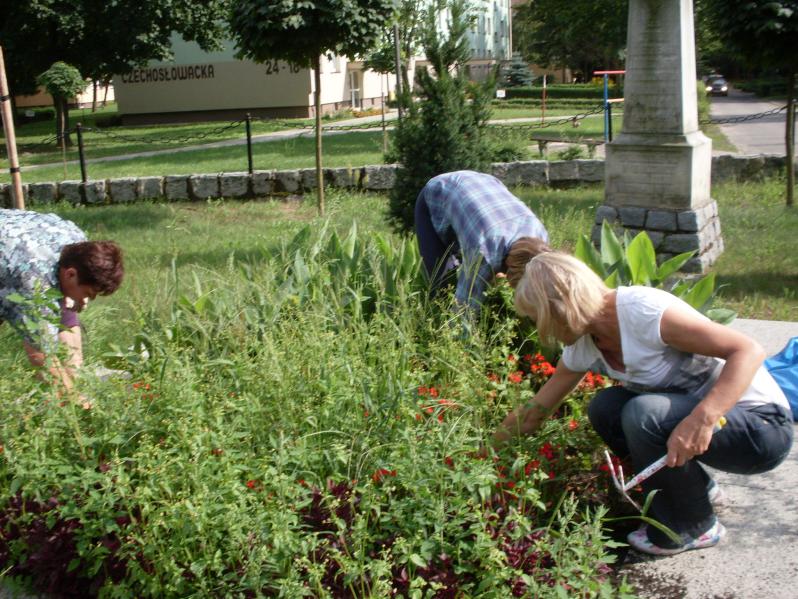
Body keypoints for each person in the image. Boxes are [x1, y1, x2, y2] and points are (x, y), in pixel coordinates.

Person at [492, 251, 793, 555]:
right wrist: (484, 456)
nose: (538, 329)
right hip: (712, 428)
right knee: (606, 407)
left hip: (761, 427)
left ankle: (693, 526)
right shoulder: (585, 346)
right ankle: (692, 491)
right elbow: (534, 414)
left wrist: (704, 417)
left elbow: (748, 350)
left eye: (537, 319)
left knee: (643, 414)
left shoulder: (643, 312)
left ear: (558, 310)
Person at [0, 209, 124, 394]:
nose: (88, 301)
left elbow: (65, 310)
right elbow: (42, 356)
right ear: (71, 274)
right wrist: (76, 403)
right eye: (89, 294)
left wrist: (76, 379)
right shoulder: (33, 282)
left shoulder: (77, 243)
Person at [414, 170, 550, 310]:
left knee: (477, 275)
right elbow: (463, 311)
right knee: (441, 286)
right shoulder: (484, 253)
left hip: (482, 187)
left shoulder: (541, 238)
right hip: (440, 191)